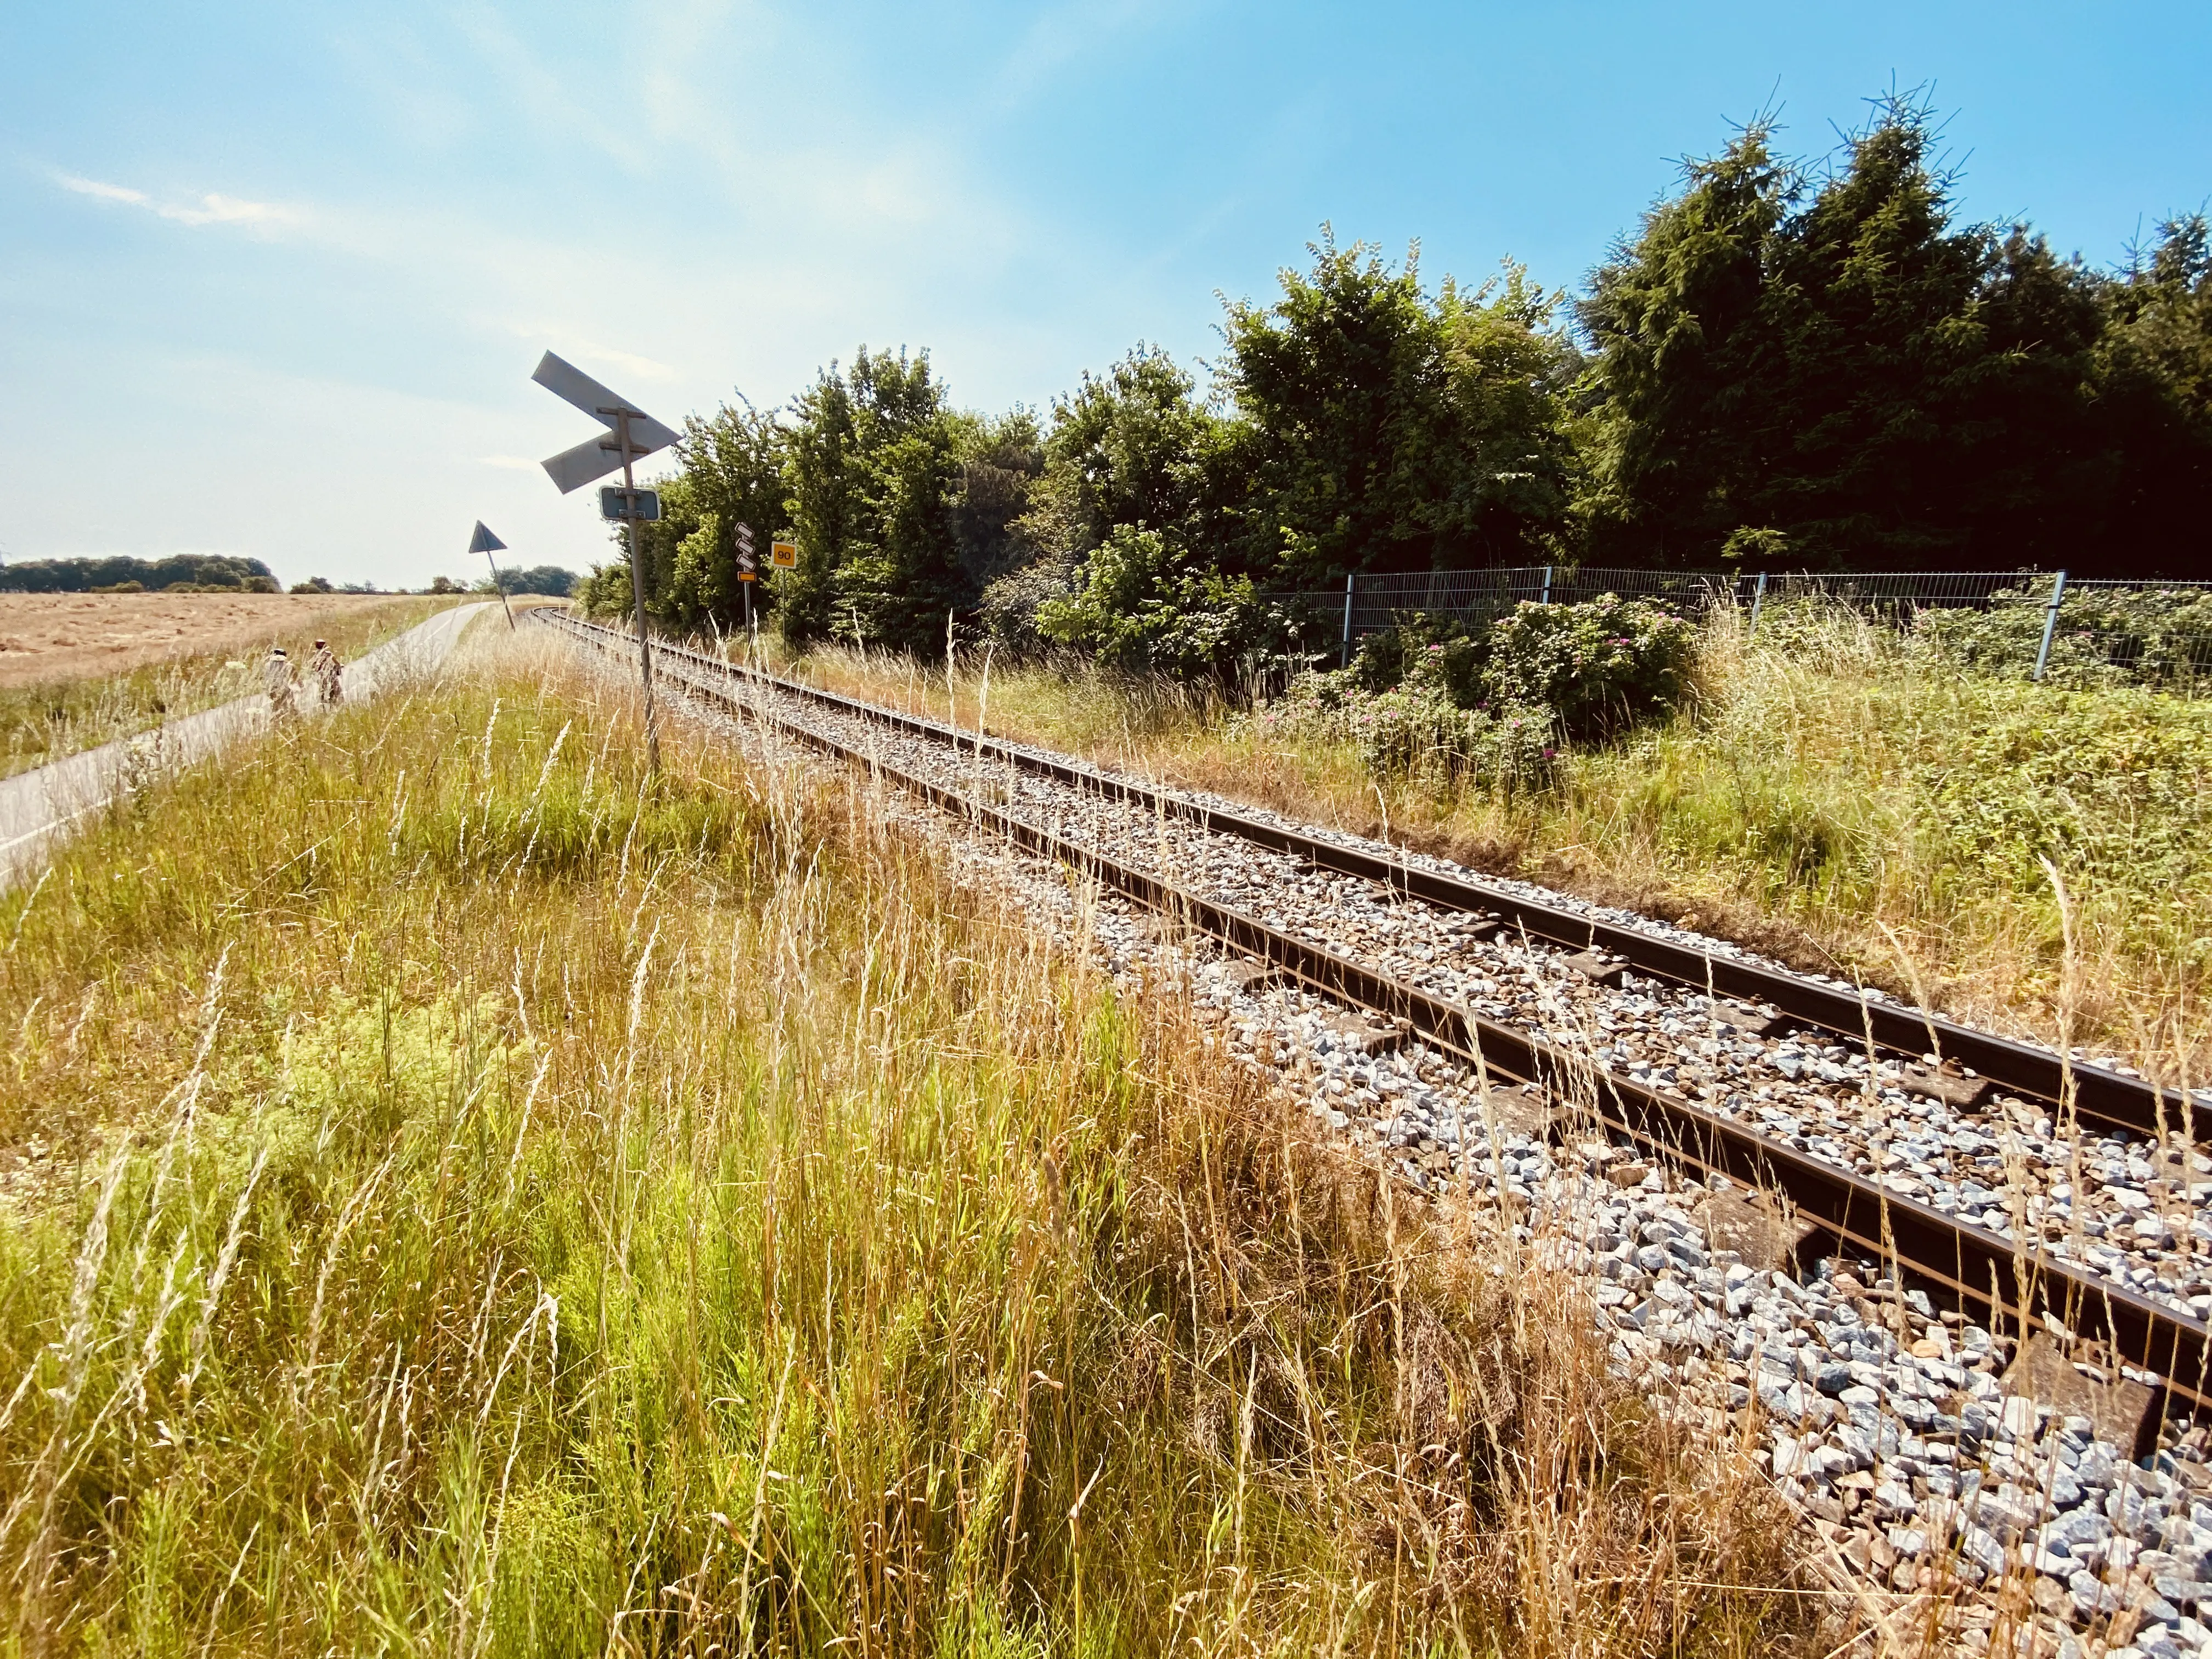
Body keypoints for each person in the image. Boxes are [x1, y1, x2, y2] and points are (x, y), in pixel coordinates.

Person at [264, 646, 297, 721]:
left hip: (272, 689)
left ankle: (275, 721)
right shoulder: (288, 665)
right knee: (289, 704)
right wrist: (294, 682)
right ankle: (291, 719)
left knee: (276, 705)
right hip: (284, 688)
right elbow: (295, 674)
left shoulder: (267, 665)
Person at [308, 639, 343, 706]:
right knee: (335, 684)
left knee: (322, 685)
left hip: (321, 672)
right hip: (330, 671)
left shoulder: (314, 654)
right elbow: (337, 663)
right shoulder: (328, 654)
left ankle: (322, 698)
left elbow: (312, 664)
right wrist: (339, 671)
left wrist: (314, 669)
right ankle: (335, 696)